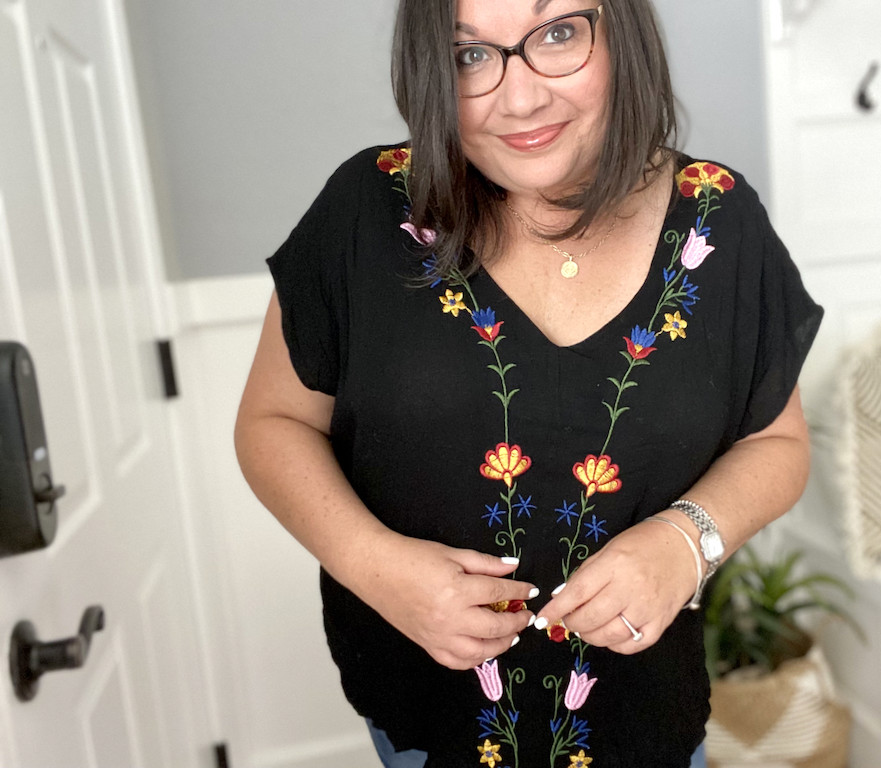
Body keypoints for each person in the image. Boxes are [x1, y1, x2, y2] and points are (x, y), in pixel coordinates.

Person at [234, 0, 823, 766]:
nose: (519, 98)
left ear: (621, 33)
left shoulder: (718, 220)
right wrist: (378, 569)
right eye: (468, 56)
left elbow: (777, 443)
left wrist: (688, 540)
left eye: (557, 34)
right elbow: (273, 423)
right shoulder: (368, 208)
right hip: (424, 727)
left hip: (646, 727)